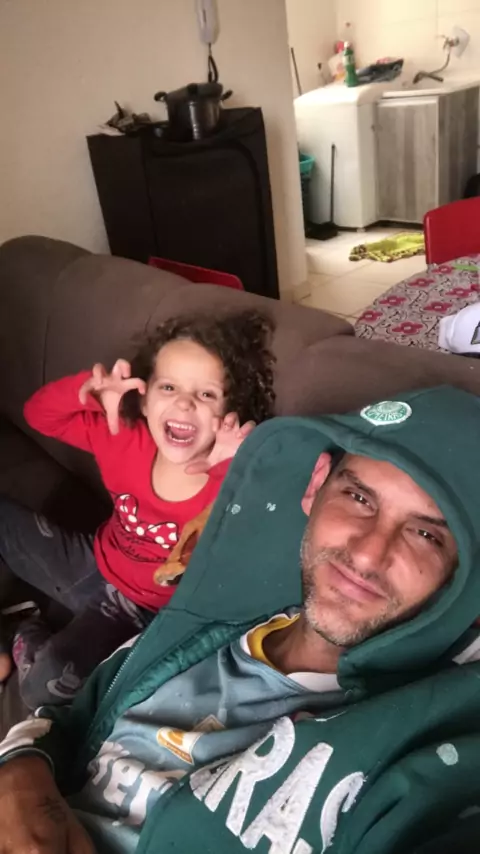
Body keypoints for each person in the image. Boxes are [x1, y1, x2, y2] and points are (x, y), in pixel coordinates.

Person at [1, 385, 480, 854]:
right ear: (316, 485)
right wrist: (20, 767)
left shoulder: (423, 739)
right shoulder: (199, 629)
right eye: (358, 498)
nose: (369, 553)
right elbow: (71, 718)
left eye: (425, 534)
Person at [0, 310, 275, 708]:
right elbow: (38, 415)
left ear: (229, 414)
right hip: (93, 564)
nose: (183, 402)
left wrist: (226, 468)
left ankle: (26, 634)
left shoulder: (234, 476)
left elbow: (244, 544)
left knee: (42, 687)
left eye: (206, 394)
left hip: (139, 612)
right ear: (144, 399)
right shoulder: (123, 434)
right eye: (168, 387)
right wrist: (89, 393)